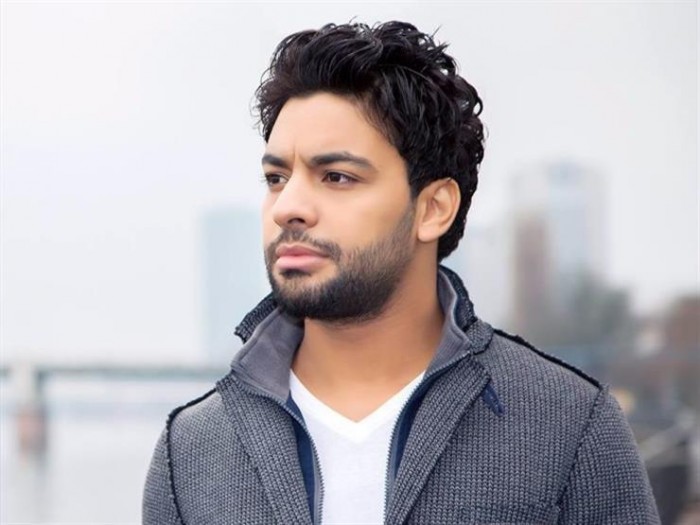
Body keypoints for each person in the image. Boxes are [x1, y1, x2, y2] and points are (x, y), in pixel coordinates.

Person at [143, 21, 659, 525]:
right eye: (276, 178)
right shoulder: (189, 453)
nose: (287, 207)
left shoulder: (569, 424)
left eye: (336, 177)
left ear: (433, 208)